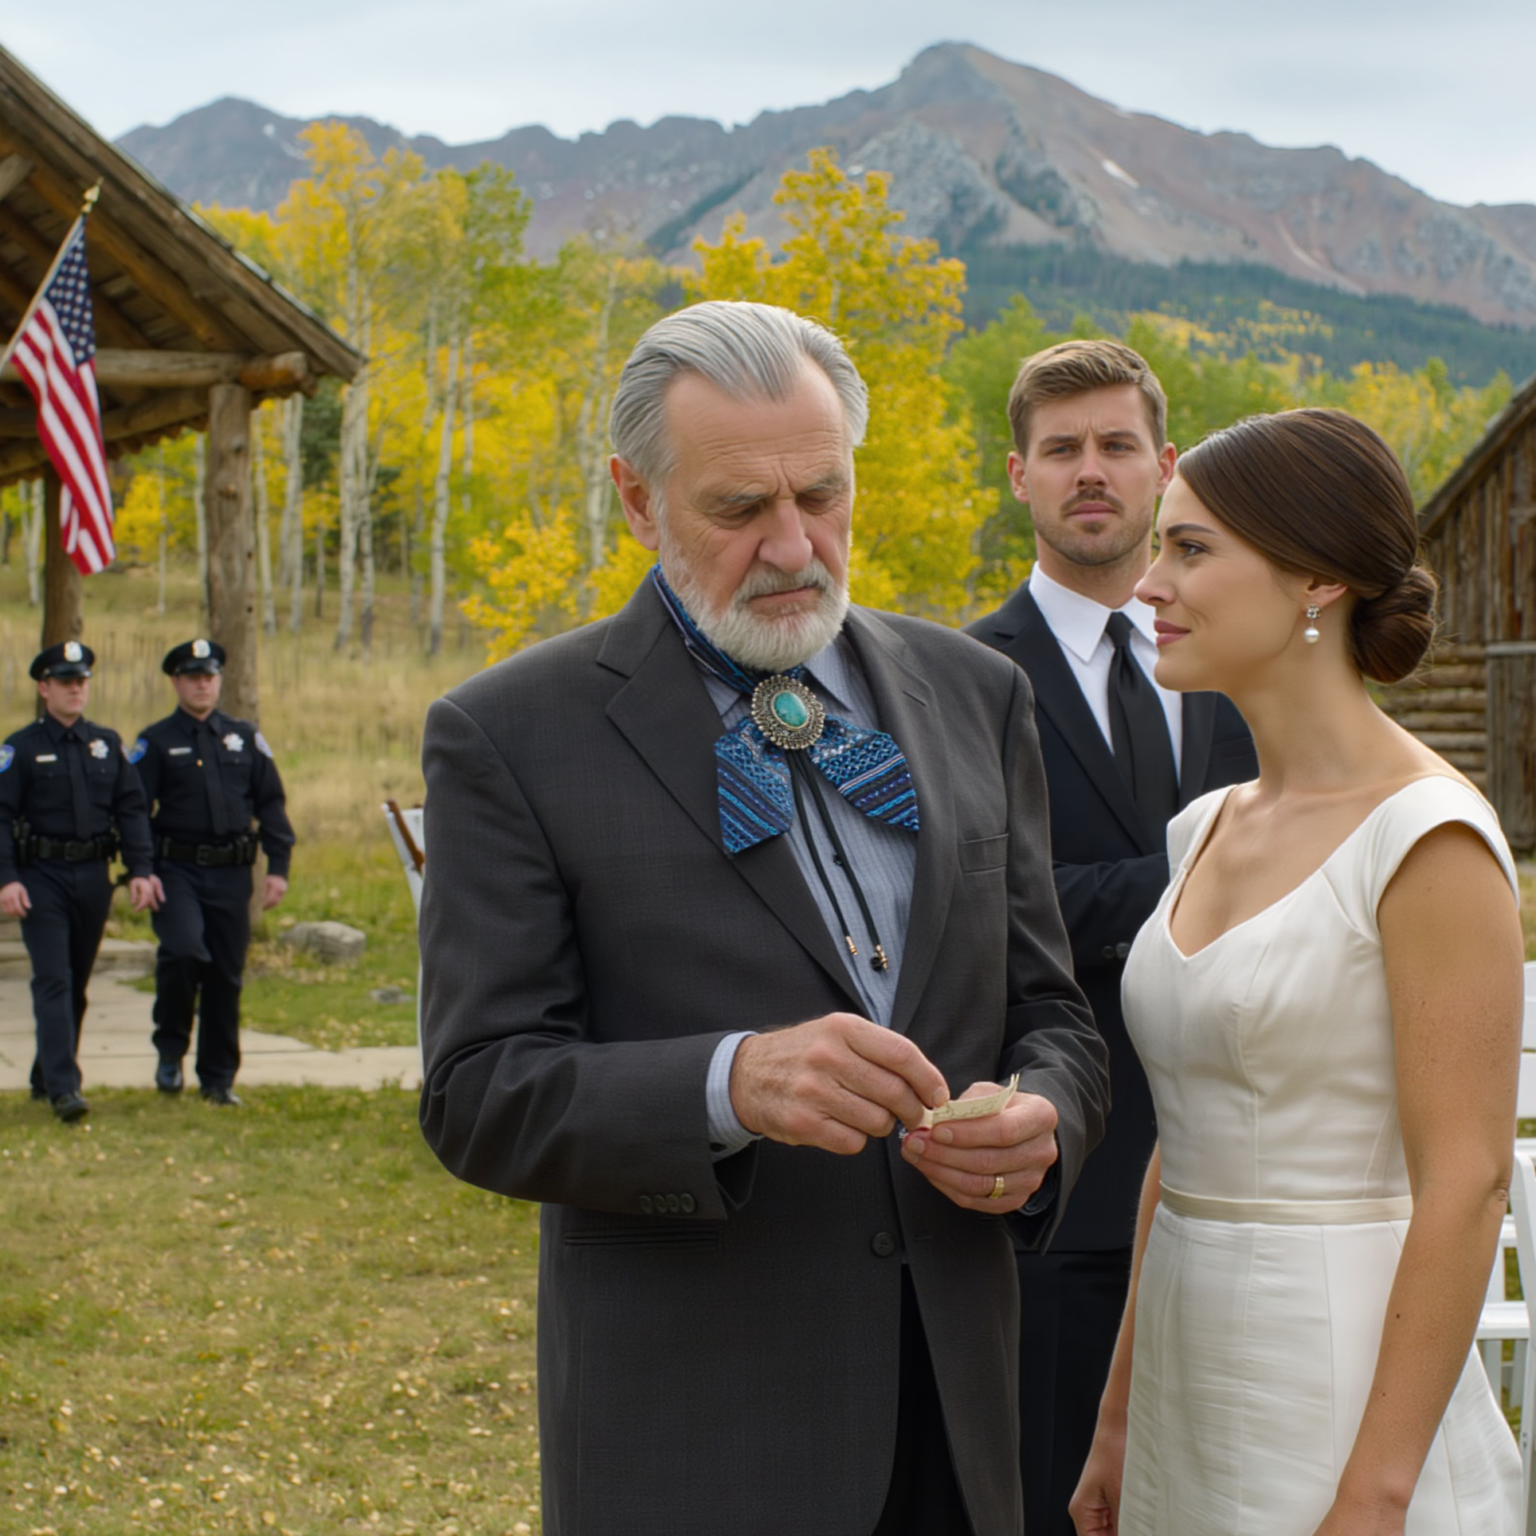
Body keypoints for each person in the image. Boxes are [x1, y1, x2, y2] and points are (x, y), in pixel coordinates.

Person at [418, 300, 1110, 1536]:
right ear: (638, 501)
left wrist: (1044, 1116)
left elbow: (1049, 1007)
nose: (795, 547)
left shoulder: (977, 693)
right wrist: (730, 1087)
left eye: (825, 496)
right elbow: (478, 1091)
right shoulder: (510, 735)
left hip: (958, 1413)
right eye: (740, 510)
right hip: (700, 1435)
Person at [1071, 408, 1525, 1535]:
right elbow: (1182, 1137)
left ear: (1315, 579)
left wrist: (1374, 1497)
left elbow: (1466, 1184)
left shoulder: (1429, 839)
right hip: (1184, 1386)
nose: (1148, 584)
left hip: (1341, 1390)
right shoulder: (1204, 829)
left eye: (1190, 550)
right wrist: (1120, 1420)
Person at [966, 339, 1257, 1535]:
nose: (1092, 471)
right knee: (1064, 1505)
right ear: (1020, 477)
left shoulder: (1245, 669)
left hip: (1250, 1173)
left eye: (1117, 446)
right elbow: (989, 905)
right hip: (1072, 1181)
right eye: (1062, 450)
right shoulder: (960, 679)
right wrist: (1218, 869)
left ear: (1165, 467)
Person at [0, 640, 160, 1123]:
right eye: (65, 682)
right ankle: (65, 1090)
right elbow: (1, 816)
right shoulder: (20, 748)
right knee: (53, 979)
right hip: (41, 877)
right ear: (44, 688)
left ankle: (45, 1071)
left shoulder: (106, 744)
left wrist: (141, 870)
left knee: (77, 983)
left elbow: (131, 810)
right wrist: (6, 878)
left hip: (93, 877)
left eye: (81, 681)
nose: (75, 689)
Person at [130, 639, 294, 1107]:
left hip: (231, 873)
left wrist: (277, 867)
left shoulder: (244, 738)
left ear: (220, 680)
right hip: (176, 870)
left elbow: (271, 805)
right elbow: (135, 811)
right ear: (177, 682)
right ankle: (170, 1048)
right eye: (193, 676)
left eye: (210, 676)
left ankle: (218, 1079)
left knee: (225, 974)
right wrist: (142, 868)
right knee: (182, 953)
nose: (203, 684)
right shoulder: (155, 742)